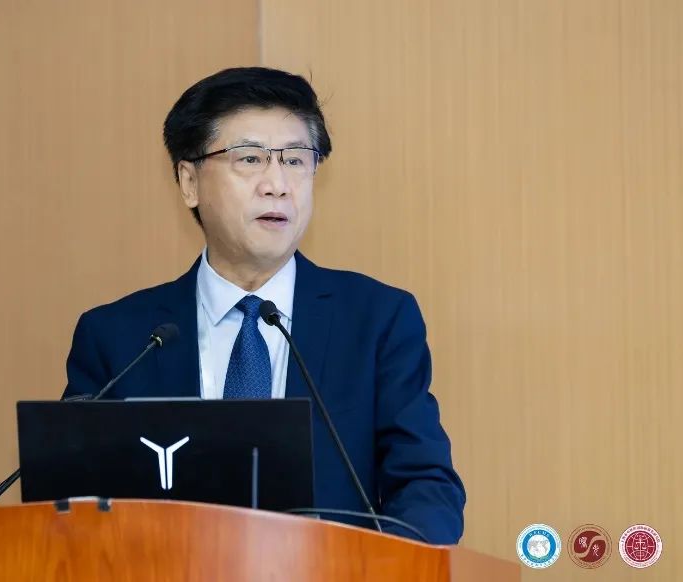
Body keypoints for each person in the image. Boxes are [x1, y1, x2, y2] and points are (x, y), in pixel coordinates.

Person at [62, 67, 466, 544]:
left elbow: (425, 486)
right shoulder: (118, 338)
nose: (277, 184)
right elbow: (72, 502)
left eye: (295, 160)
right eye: (250, 159)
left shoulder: (376, 321)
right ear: (189, 182)